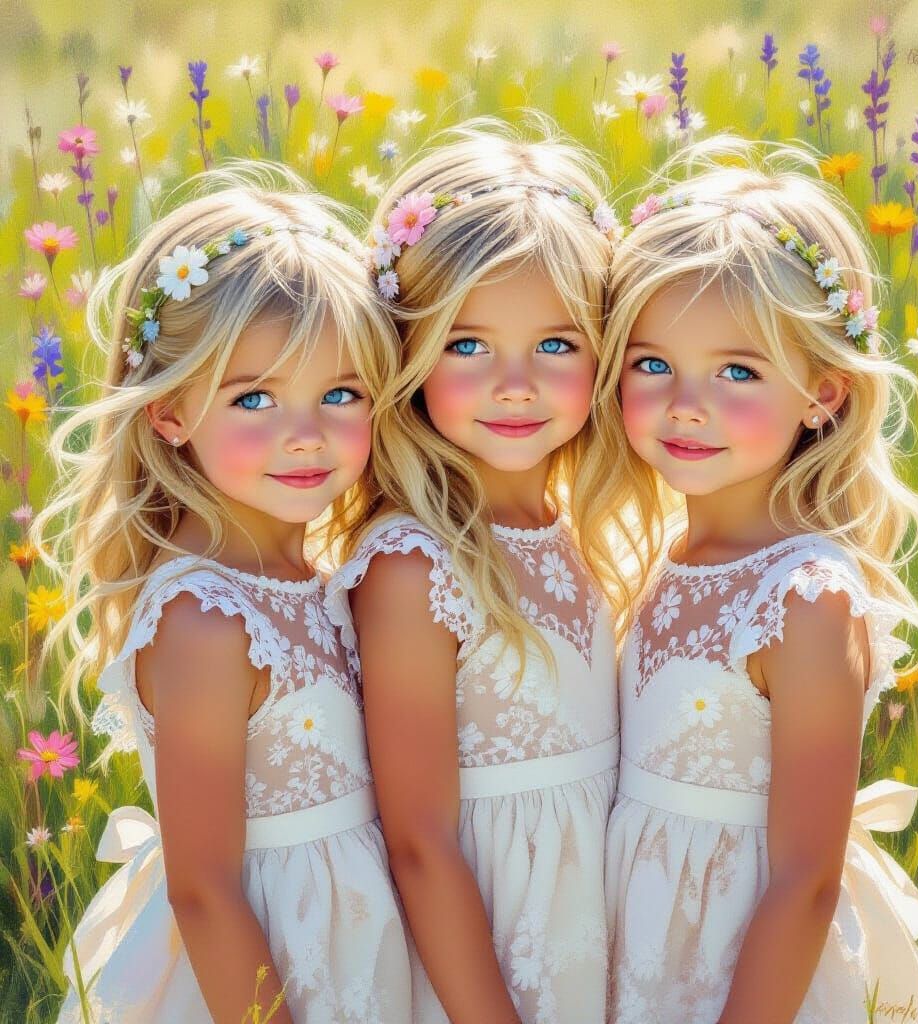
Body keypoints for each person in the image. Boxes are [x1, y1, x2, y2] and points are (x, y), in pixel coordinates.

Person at [37, 163, 412, 1024]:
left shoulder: (318, 577)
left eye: (340, 394)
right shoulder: (205, 619)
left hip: (355, 947)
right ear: (169, 411)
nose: (305, 436)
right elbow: (204, 891)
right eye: (254, 398)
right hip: (252, 977)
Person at [600, 135, 918, 1024]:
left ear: (823, 394)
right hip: (637, 930)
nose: (688, 403)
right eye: (654, 364)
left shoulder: (804, 596)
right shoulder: (654, 557)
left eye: (738, 372)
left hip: (753, 969)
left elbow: (805, 877)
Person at [325, 116, 625, 1024]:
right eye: (466, 345)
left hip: (594, 932)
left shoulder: (584, 531)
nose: (515, 382)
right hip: (485, 960)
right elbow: (420, 840)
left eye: (556, 344)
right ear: (408, 354)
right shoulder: (416, 564)